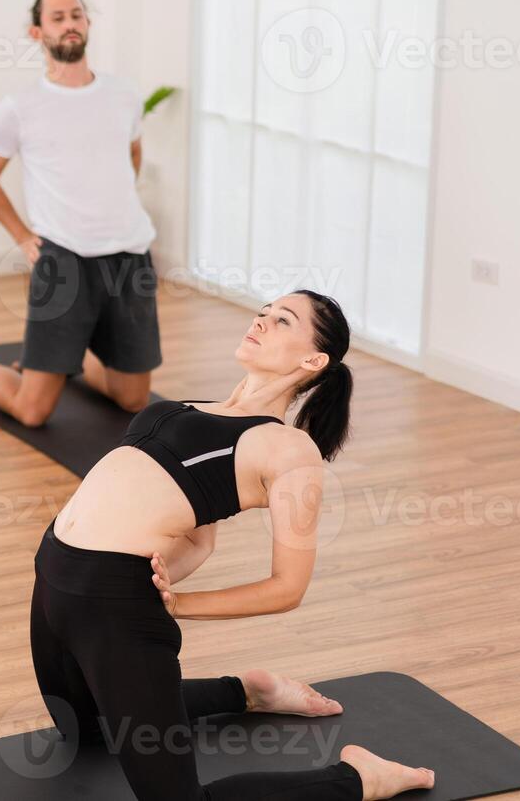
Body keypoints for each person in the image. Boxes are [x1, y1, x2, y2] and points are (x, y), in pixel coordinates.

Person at [31, 290, 436, 799]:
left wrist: (177, 604)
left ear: (313, 360)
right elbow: (199, 539)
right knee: (83, 730)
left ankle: (362, 778)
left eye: (282, 320)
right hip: (53, 578)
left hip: (111, 602)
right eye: (262, 313)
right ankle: (248, 691)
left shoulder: (289, 450)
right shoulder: (187, 406)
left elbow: (288, 587)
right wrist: (166, 572)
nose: (262, 321)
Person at [0, 0, 160, 426]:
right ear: (38, 33)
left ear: (87, 24)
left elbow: (131, 155)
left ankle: (69, 359)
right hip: (64, 261)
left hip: (130, 255)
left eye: (76, 14)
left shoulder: (124, 94)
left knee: (133, 399)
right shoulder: (19, 106)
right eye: (57, 18)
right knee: (32, 412)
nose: (70, 23)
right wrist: (21, 236)